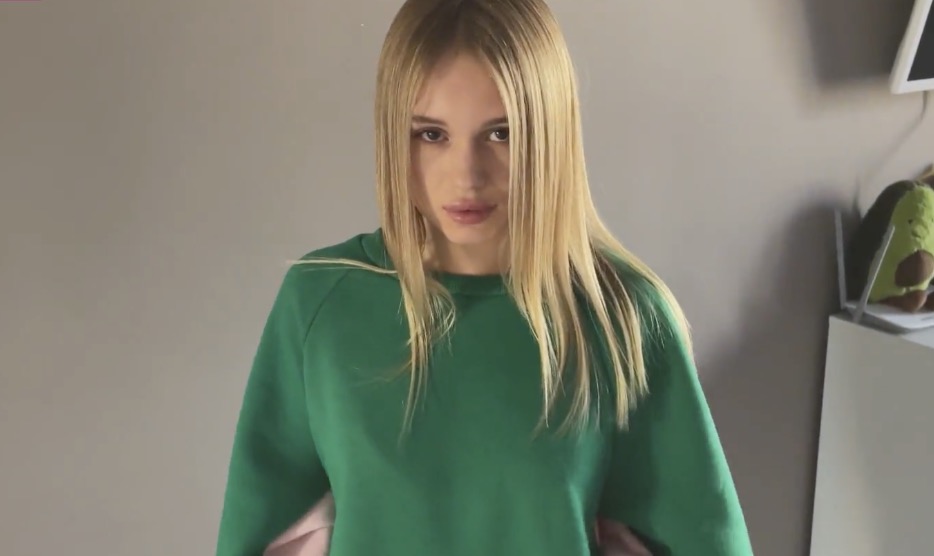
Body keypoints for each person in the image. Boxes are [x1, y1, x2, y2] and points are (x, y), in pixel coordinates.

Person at [215, 0, 754, 554]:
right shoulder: (320, 304)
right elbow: (260, 538)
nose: (467, 176)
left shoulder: (622, 317)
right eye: (431, 135)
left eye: (501, 133)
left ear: (551, 133)